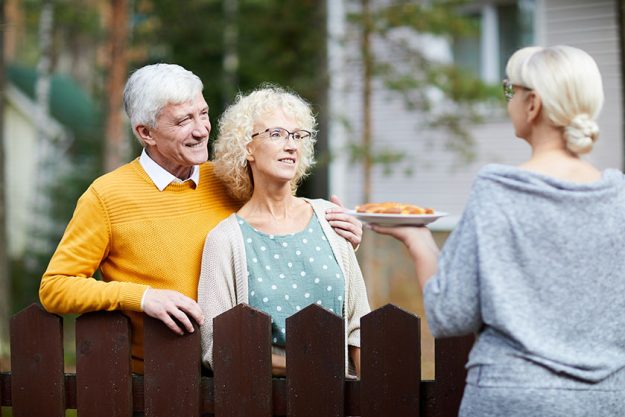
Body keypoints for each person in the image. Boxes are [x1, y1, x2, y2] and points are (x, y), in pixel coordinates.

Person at [39, 64, 363, 374]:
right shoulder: (107, 196)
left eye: (203, 113)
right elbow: (56, 287)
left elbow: (277, 222)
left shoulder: (228, 178)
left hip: (241, 373)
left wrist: (332, 231)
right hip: (158, 380)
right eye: (183, 121)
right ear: (146, 132)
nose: (201, 130)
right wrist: (142, 297)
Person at [371, 45, 625, 416]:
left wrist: (419, 240)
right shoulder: (618, 198)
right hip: (606, 401)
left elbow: (449, 314)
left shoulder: (499, 190)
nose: (509, 102)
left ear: (533, 104)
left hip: (511, 398)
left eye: (511, 91)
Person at [198, 85, 370, 376]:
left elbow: (359, 327)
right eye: (276, 134)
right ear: (246, 147)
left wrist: (372, 399)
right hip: (262, 401)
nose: (291, 145)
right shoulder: (225, 240)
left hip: (341, 399)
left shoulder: (329, 219)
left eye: (298, 135)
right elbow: (218, 348)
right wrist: (304, 370)